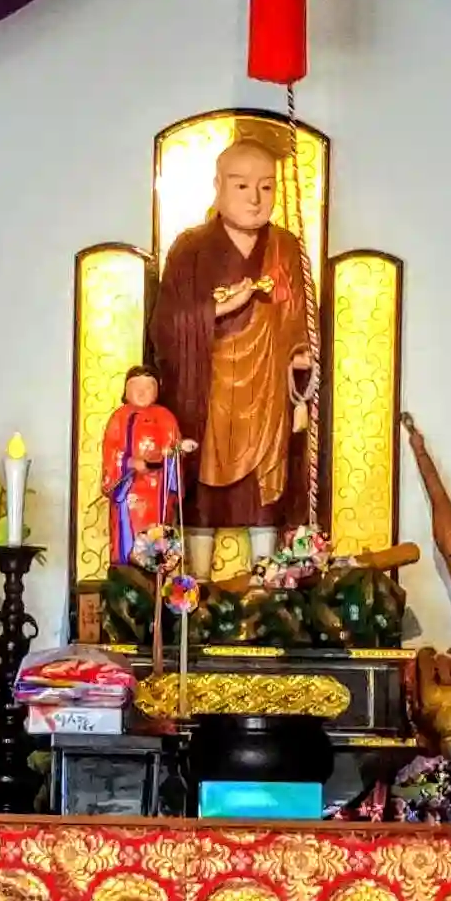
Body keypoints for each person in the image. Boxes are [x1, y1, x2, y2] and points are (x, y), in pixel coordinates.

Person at [147, 137, 316, 575]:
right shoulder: (190, 247)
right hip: (207, 389)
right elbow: (165, 325)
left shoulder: (286, 248)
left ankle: (267, 580)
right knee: (203, 488)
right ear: (218, 186)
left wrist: (300, 353)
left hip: (267, 391)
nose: (255, 198)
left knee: (265, 493)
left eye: (266, 187)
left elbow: (299, 317)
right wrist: (216, 310)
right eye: (242, 186)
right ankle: (196, 584)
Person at [100, 367, 191, 565]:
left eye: (148, 387)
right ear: (126, 391)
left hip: (158, 489)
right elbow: (110, 450)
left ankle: (156, 572)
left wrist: (178, 450)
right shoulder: (119, 417)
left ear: (157, 390)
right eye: (136, 387)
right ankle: (126, 568)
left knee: (158, 533)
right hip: (129, 487)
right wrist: (129, 462)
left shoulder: (165, 417)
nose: (141, 392)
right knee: (128, 533)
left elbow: (172, 449)